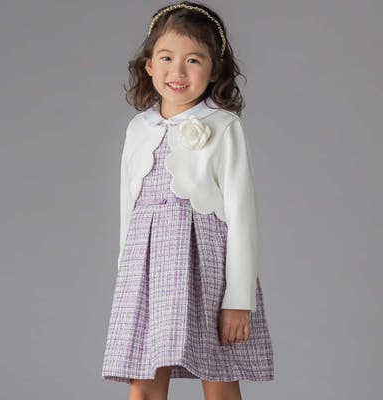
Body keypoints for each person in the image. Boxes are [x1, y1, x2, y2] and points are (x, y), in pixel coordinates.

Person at [102, 2, 274, 399]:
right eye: (166, 58)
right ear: (148, 65)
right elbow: (129, 208)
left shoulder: (224, 126)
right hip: (146, 269)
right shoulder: (138, 128)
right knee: (143, 380)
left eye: (193, 60)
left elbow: (242, 216)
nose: (177, 71)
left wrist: (238, 298)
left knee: (218, 377)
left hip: (206, 268)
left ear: (214, 70)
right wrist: (127, 278)